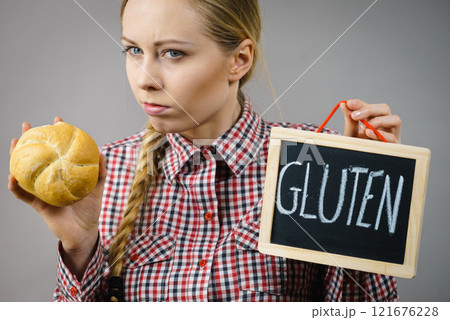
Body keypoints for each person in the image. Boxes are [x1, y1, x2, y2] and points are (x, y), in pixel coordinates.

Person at [8, 0, 402, 302]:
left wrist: (359, 209)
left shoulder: (313, 165)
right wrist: (80, 246)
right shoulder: (101, 176)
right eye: (133, 50)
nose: (144, 79)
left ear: (239, 60)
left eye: (173, 53)